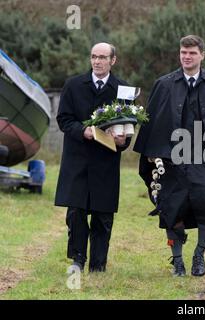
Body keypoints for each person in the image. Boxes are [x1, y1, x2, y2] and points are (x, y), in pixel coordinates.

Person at [134, 35, 205, 277]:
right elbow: (154, 120)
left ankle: (199, 254)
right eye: (183, 52)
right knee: (172, 209)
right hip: (172, 159)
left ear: (202, 55)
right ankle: (178, 259)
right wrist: (151, 153)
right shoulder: (164, 84)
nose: (186, 57)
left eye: (192, 53)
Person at [55, 42, 130, 272]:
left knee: (102, 215)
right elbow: (64, 120)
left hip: (106, 162)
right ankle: (78, 259)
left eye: (102, 57)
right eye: (93, 57)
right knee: (76, 213)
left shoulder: (123, 89)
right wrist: (84, 131)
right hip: (77, 159)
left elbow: (127, 128)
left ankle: (98, 265)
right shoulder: (73, 85)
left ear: (113, 61)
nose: (97, 61)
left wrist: (122, 140)